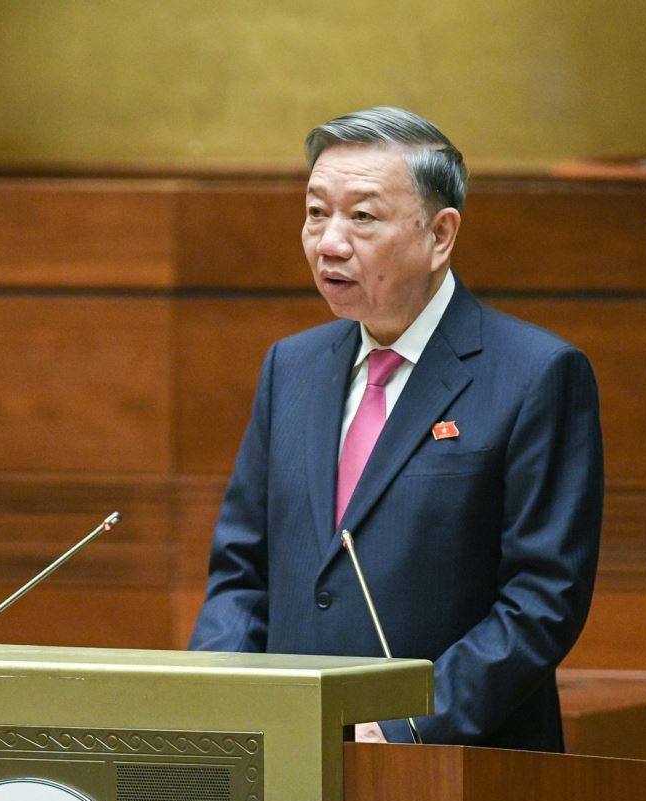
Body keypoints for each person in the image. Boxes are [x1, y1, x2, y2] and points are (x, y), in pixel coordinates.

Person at [189, 106, 603, 750]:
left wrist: (407, 726)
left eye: (362, 216)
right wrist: (221, 704)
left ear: (440, 234)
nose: (329, 242)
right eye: (316, 212)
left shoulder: (535, 374)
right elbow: (241, 575)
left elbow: (542, 600)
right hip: (287, 758)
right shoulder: (291, 368)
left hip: (452, 768)